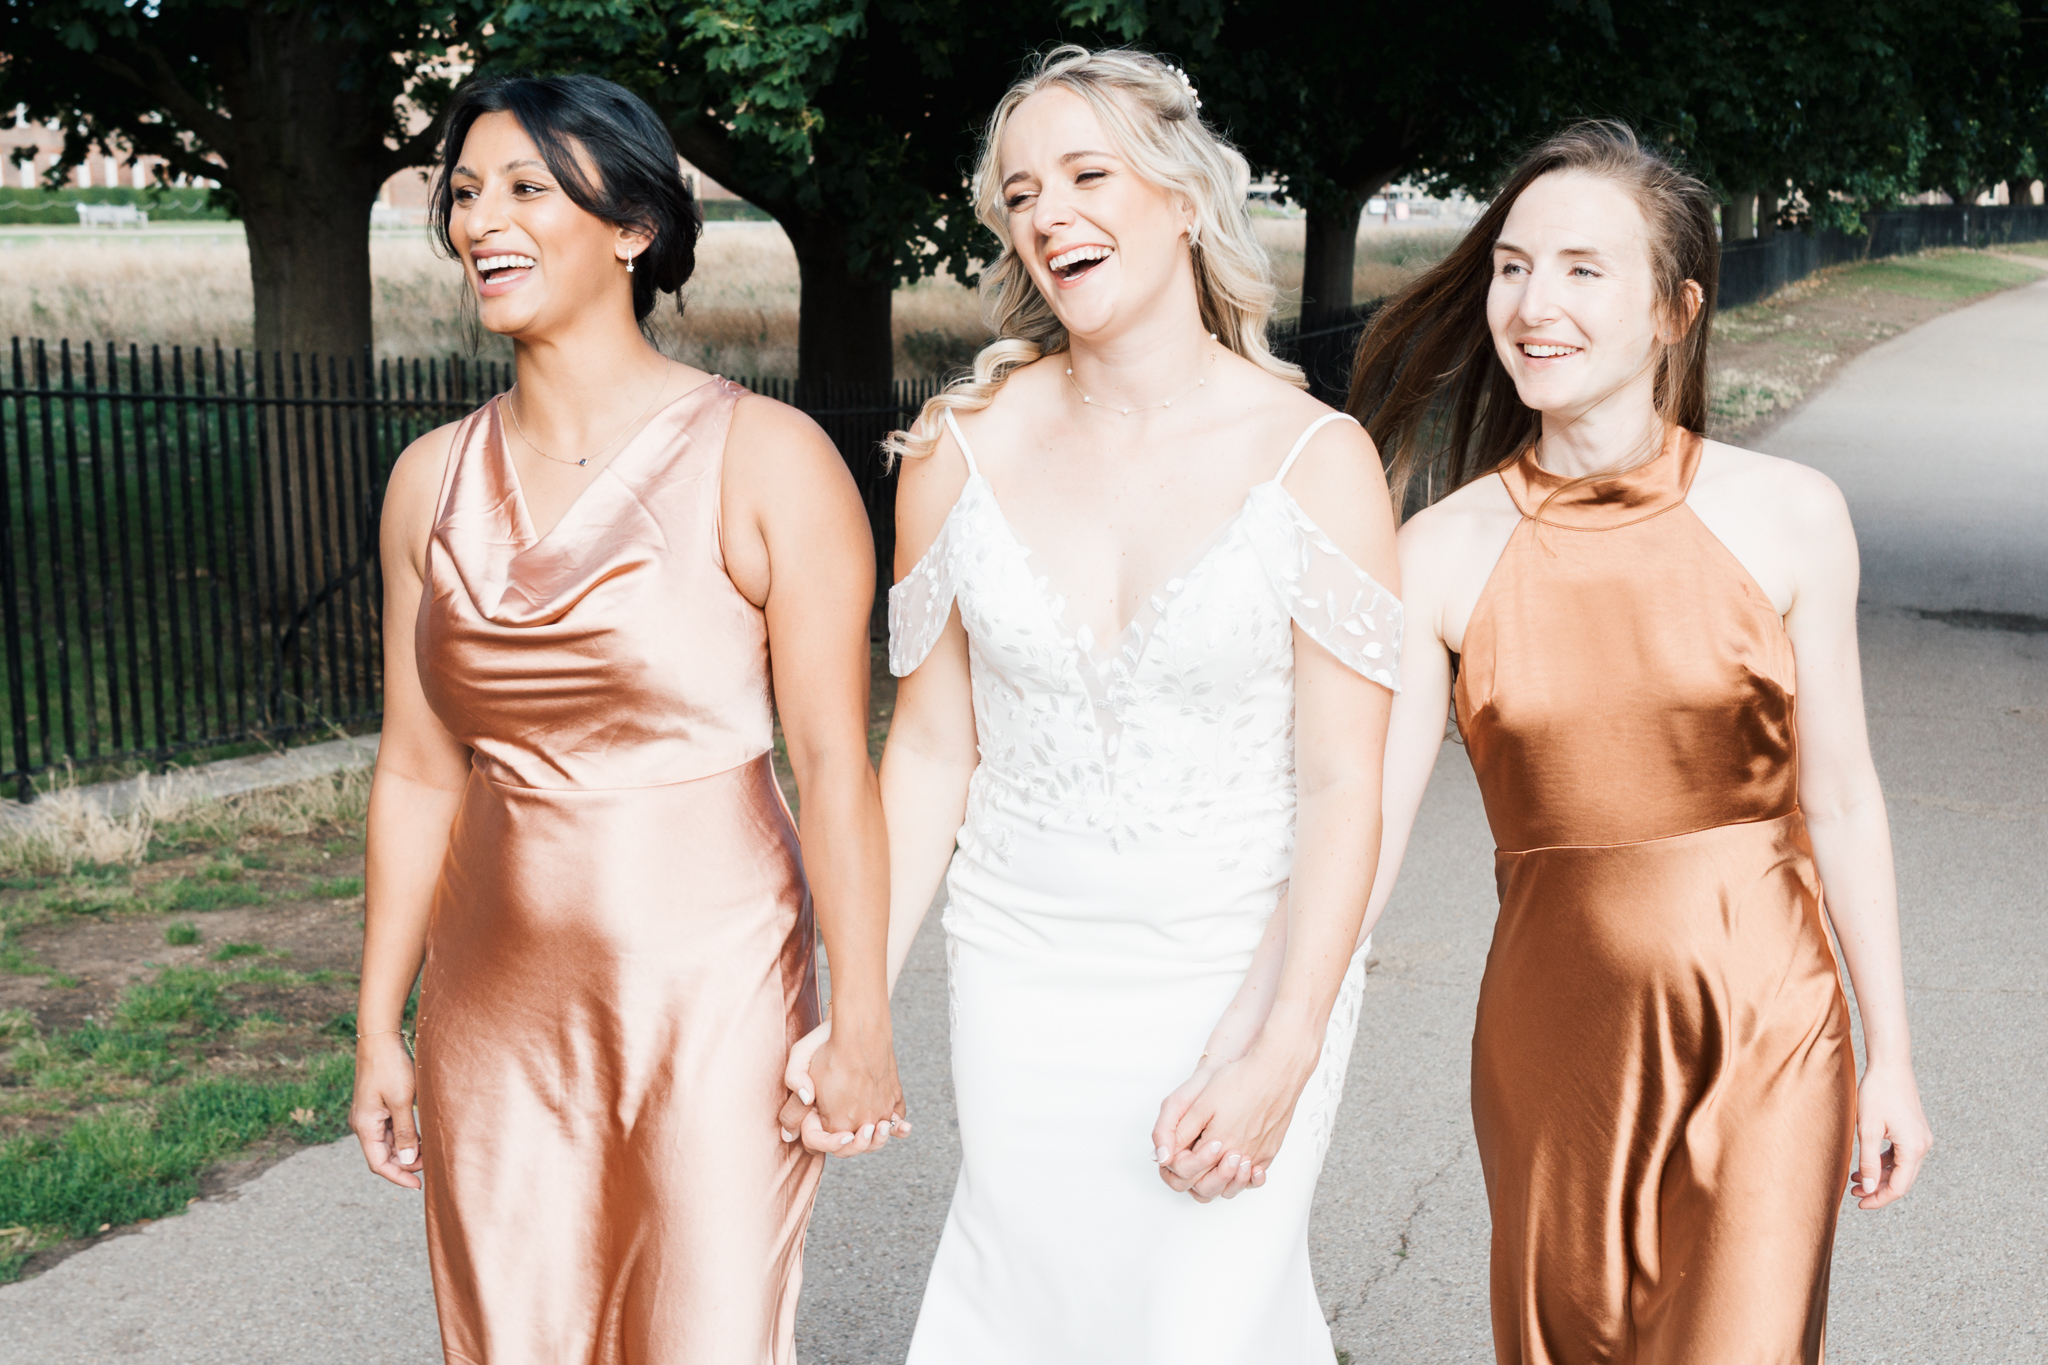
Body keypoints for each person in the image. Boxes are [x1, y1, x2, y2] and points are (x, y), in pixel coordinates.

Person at [1346, 122, 1933, 1363]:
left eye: (1580, 269)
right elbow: (1367, 835)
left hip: (1768, 1026)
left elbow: (1840, 801)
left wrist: (1891, 1058)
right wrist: (1273, 1031)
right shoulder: (1435, 553)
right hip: (1549, 1043)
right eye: (1511, 267)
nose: (1531, 305)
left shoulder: (1790, 517)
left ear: (1674, 309)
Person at [346, 74, 904, 1365]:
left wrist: (864, 1019)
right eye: (464, 193)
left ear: (633, 227)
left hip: (712, 998)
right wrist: (380, 1026)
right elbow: (419, 773)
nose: (482, 220)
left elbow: (834, 766)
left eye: (526, 188)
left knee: (704, 1334)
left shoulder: (767, 458)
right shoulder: (427, 481)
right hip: (493, 1006)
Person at [859, 45, 1401, 1363]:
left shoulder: (1315, 462)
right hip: (1019, 967)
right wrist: (854, 999)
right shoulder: (953, 453)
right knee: (1028, 1312)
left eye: (1086, 175)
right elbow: (927, 753)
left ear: (1183, 197)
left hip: (1237, 969)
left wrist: (1283, 1046)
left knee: (1205, 1321)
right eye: (1021, 194)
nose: (1049, 214)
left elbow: (1346, 785)